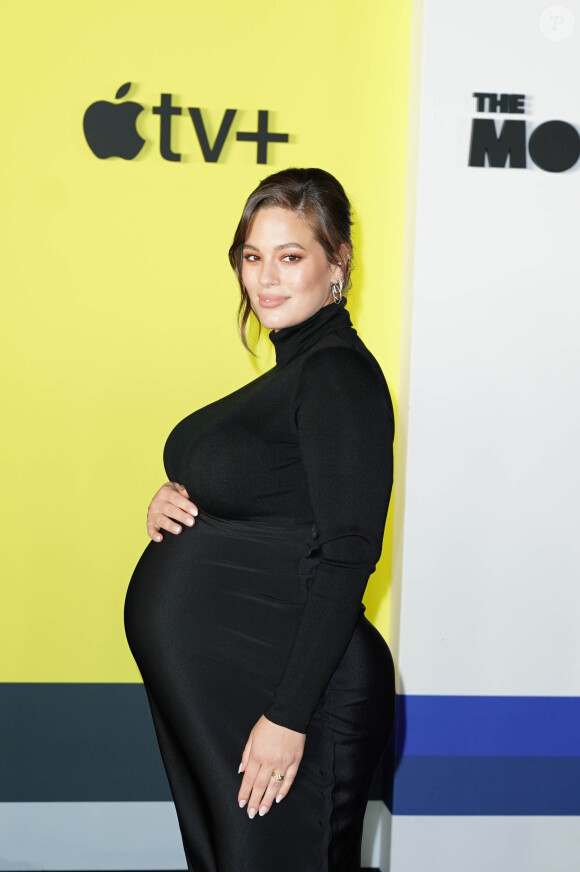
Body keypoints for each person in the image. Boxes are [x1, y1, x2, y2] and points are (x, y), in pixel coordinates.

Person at [124, 167, 396, 872]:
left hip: (291, 697)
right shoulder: (291, 376)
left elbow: (349, 553)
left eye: (291, 255)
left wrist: (287, 717)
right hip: (239, 692)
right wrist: (180, 503)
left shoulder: (338, 374)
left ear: (338, 264)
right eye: (252, 256)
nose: (267, 278)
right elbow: (276, 498)